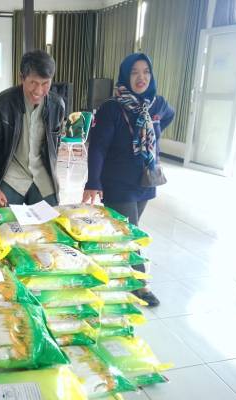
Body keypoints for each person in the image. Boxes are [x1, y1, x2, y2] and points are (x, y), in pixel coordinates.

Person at [82, 53, 175, 307]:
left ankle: (116, 270)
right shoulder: (112, 108)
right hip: (117, 183)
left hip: (145, 180)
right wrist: (93, 181)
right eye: (134, 72)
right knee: (131, 233)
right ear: (125, 75)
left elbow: (168, 116)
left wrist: (150, 137)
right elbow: (98, 147)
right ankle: (140, 285)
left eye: (146, 72)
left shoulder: (157, 104)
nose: (141, 77)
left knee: (127, 231)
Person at [0, 49, 65, 207]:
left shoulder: (57, 105)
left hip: (42, 175)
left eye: (45, 83)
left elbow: (54, 147)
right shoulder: (4, 102)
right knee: (2, 218)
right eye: (33, 83)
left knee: (51, 221)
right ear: (22, 78)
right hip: (12, 174)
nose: (39, 91)